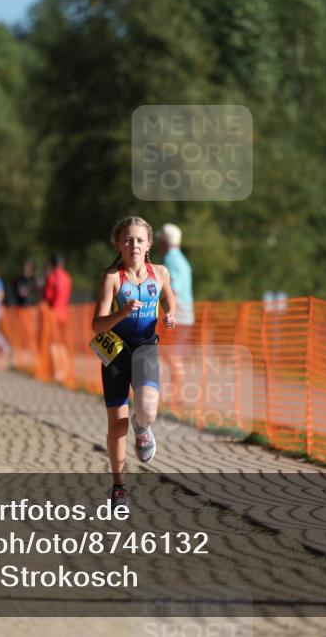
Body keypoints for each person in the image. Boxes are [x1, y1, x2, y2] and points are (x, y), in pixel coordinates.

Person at [92, 216, 176, 508]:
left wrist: (170, 313)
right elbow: (97, 325)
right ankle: (119, 487)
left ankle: (143, 429)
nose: (134, 245)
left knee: (148, 410)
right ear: (118, 244)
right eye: (128, 240)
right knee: (117, 426)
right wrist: (122, 312)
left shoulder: (160, 273)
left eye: (140, 240)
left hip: (145, 348)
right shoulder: (112, 278)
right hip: (115, 352)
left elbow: (169, 299)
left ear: (149, 244)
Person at [44, 253, 72, 381]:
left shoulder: (51, 278)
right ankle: (65, 369)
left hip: (53, 314)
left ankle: (57, 372)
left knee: (54, 343)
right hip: (64, 313)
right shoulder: (67, 277)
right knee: (62, 343)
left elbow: (48, 297)